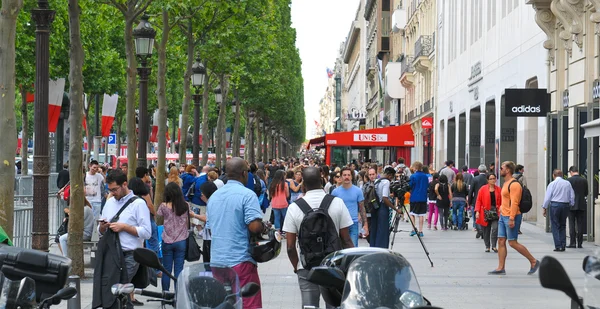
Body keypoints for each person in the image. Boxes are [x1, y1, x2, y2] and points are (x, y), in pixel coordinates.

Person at [282, 167, 354, 309]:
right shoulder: (337, 202)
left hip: (307, 266)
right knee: (334, 305)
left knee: (309, 306)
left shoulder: (294, 207)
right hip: (334, 266)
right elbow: (346, 240)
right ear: (321, 180)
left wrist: (297, 267)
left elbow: (290, 247)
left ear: (303, 183)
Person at [206, 157, 265, 309]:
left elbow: (211, 228)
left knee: (222, 304)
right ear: (244, 173)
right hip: (240, 261)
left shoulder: (214, 197)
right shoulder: (247, 195)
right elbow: (254, 227)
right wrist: (262, 226)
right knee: (249, 304)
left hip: (217, 262)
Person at [97, 169, 152, 306]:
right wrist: (102, 228)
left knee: (119, 290)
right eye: (110, 190)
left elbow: (147, 232)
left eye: (115, 189)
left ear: (125, 184)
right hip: (110, 254)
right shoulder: (109, 202)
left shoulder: (138, 204)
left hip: (130, 255)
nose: (112, 193)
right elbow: (100, 231)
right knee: (110, 292)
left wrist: (124, 227)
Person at [489, 161, 539, 275]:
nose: (500, 169)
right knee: (501, 241)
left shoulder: (514, 184)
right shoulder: (505, 183)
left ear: (507, 170)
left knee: (512, 242)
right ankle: (500, 267)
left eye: (502, 168)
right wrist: (501, 208)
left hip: (512, 216)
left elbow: (515, 203)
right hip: (503, 216)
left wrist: (511, 218)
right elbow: (506, 200)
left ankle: (533, 261)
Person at [156, 182, 190, 291]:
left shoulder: (163, 206)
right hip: (181, 240)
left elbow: (159, 217)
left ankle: (165, 293)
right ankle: (178, 295)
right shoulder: (185, 205)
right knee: (179, 269)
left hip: (167, 239)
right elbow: (188, 223)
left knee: (166, 269)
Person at [332, 167, 368, 246]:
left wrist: (365, 224)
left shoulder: (358, 191)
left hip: (353, 223)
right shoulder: (335, 192)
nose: (347, 177)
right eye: (344, 175)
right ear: (341, 177)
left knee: (353, 248)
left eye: (348, 175)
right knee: (340, 249)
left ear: (352, 177)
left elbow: (362, 208)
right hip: (340, 224)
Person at [542, 169, 575, 251]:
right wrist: (571, 204)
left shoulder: (552, 184)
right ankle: (563, 245)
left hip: (555, 205)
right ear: (562, 175)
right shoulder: (567, 183)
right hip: (565, 205)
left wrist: (544, 207)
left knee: (555, 225)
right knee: (563, 225)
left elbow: (547, 197)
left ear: (554, 175)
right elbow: (572, 196)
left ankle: (558, 245)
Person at [370, 167, 402, 248]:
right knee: (383, 230)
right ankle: (382, 247)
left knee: (375, 229)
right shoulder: (386, 182)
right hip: (382, 208)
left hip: (375, 207)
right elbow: (385, 198)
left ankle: (374, 246)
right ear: (390, 175)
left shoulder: (377, 180)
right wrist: (395, 209)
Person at [475, 173, 502, 252]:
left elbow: (501, 201)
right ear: (488, 180)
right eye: (491, 179)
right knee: (486, 230)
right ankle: (487, 246)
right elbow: (478, 201)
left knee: (495, 228)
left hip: (495, 212)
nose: (493, 180)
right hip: (485, 212)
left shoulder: (498, 189)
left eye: (494, 178)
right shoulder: (483, 189)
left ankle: (494, 245)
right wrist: (477, 211)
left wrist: (501, 208)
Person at [567, 166, 587, 248]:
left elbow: (567, 193)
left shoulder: (569, 181)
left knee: (571, 224)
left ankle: (572, 243)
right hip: (581, 204)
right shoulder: (584, 180)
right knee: (580, 224)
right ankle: (580, 243)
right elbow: (586, 192)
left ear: (571, 172)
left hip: (571, 205)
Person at [408, 161, 429, 237]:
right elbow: (427, 186)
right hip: (423, 197)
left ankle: (413, 229)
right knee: (421, 215)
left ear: (415, 168)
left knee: (412, 214)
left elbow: (409, 186)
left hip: (414, 197)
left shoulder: (413, 176)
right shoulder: (425, 176)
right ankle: (420, 231)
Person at [469, 164, 488, 237]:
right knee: (485, 216)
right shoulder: (488, 178)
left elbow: (471, 191)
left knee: (476, 216)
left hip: (476, 200)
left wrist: (469, 201)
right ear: (485, 170)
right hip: (486, 200)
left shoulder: (475, 179)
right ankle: (483, 230)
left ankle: (479, 229)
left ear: (478, 170)